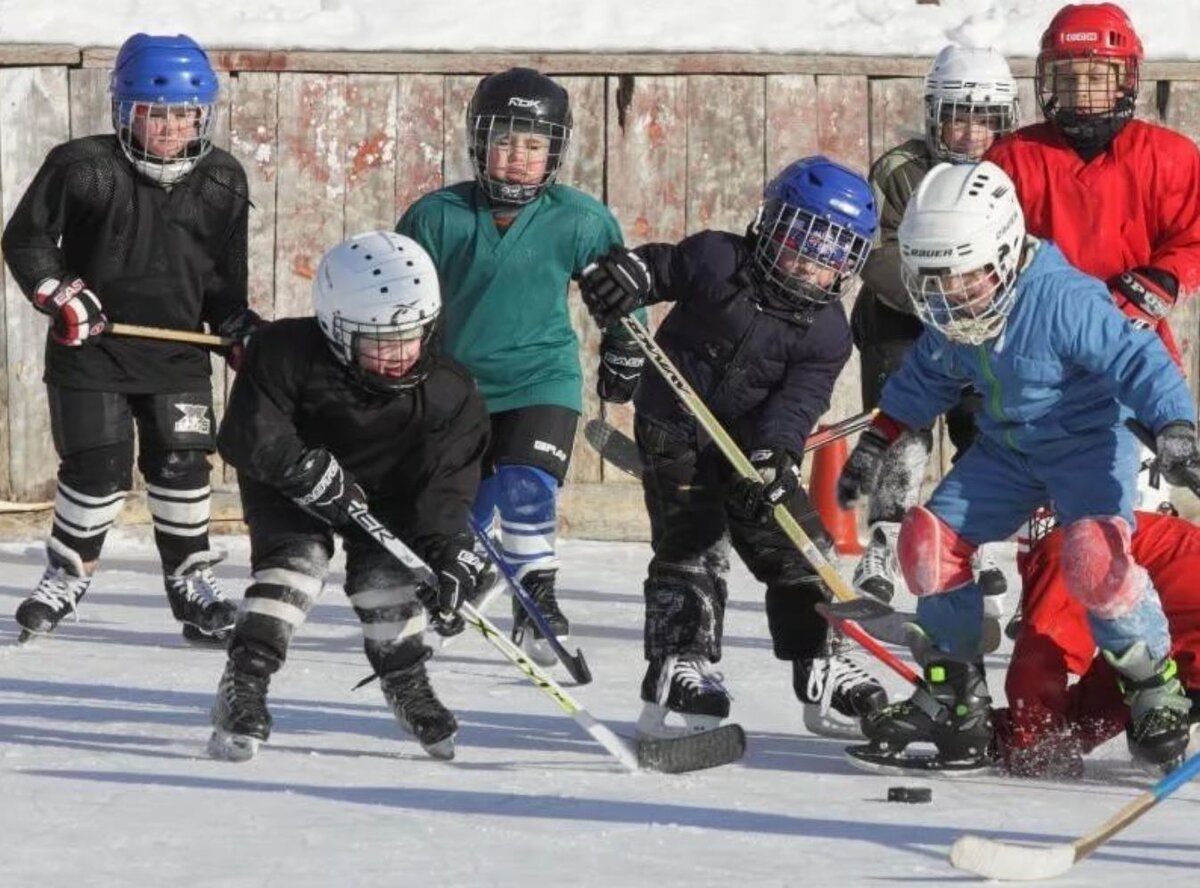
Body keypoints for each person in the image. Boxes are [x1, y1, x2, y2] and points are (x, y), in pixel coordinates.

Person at [838, 160, 1199, 772]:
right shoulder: (959, 315)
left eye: (963, 278)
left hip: (1086, 444)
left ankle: (1150, 684)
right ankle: (955, 691)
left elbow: (1137, 355)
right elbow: (926, 373)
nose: (950, 297)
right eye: (935, 282)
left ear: (1004, 251)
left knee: (1093, 559)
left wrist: (1175, 426)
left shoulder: (1062, 299)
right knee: (929, 543)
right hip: (1009, 450)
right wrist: (880, 438)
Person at [578, 155, 889, 739]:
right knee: (695, 540)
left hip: (751, 448)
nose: (812, 261)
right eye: (802, 238)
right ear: (771, 224)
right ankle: (681, 663)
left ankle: (820, 661)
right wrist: (627, 278)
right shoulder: (717, 258)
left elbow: (798, 404)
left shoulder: (827, 333)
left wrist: (776, 455)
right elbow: (657, 269)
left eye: (833, 252)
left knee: (803, 547)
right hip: (676, 426)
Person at [1, 33, 259, 645]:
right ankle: (66, 575)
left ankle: (190, 583)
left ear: (204, 111)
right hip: (92, 350)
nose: (169, 127)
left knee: (183, 465)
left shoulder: (223, 177)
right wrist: (59, 293)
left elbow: (225, 283)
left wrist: (236, 328)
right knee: (98, 468)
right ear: (124, 110)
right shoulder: (83, 165)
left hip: (178, 353)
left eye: (183, 113)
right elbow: (26, 240)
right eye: (154, 113)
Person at [207, 231, 490, 763]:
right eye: (380, 339)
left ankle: (405, 678)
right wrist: (300, 467)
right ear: (336, 327)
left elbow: (445, 487)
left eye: (411, 334)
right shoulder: (283, 351)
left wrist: (449, 551)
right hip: (290, 484)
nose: (400, 354)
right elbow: (245, 433)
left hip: (383, 495)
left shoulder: (450, 392)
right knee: (298, 565)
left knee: (387, 580)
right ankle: (244, 683)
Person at [396, 67, 645, 668]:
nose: (517, 158)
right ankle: (466, 576)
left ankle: (539, 594)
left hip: (541, 379)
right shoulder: (436, 217)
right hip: (457, 392)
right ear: (478, 142)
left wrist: (623, 347)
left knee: (525, 485)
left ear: (554, 151)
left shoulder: (579, 219)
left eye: (534, 145)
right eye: (505, 140)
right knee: (465, 524)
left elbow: (620, 293)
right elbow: (398, 299)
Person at [986, 2, 1200, 516]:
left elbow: (1195, 235)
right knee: (1051, 531)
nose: (1081, 93)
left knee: (1133, 523)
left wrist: (1164, 278)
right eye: (1067, 77)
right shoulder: (1011, 159)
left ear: (1125, 79)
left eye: (1097, 77)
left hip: (1134, 357)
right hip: (1042, 367)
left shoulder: (1168, 157)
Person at [850, 45, 1018, 613]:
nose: (971, 132)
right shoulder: (900, 170)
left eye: (985, 119)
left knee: (982, 425)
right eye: (958, 114)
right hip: (905, 322)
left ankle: (971, 540)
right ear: (933, 113)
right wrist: (939, 298)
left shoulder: (1014, 172)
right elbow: (876, 256)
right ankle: (885, 536)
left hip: (983, 326)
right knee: (904, 426)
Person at [994, 510, 1200, 778]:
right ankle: (1035, 739)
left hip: (1139, 601)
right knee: (1050, 651)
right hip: (1083, 551)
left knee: (1134, 684)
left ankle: (1007, 733)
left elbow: (1126, 675)